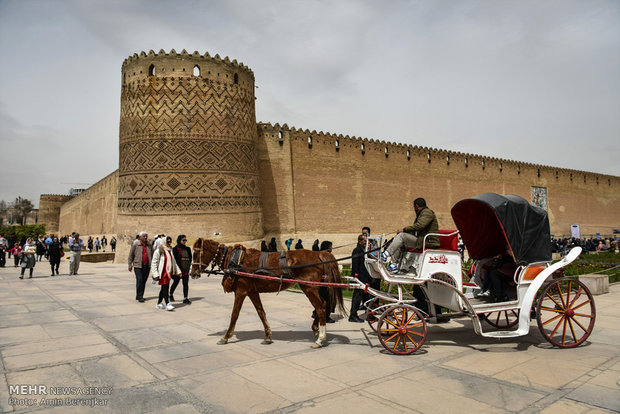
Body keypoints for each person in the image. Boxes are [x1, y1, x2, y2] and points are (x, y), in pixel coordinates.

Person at [381, 197, 439, 272]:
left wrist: (404, 230)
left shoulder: (427, 212)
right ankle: (393, 265)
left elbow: (420, 226)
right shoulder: (422, 213)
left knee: (402, 236)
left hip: (428, 242)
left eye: (414, 207)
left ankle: (385, 255)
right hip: (421, 240)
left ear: (417, 206)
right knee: (399, 242)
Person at [151, 236, 180, 311]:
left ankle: (159, 303)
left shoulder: (170, 251)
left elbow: (174, 262)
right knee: (165, 288)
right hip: (162, 272)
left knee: (164, 288)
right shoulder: (159, 251)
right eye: (168, 242)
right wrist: (155, 274)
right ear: (164, 242)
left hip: (168, 273)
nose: (169, 243)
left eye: (170, 241)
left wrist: (178, 271)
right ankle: (167, 303)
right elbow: (154, 263)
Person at [349, 234, 371, 322]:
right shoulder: (357, 251)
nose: (366, 243)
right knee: (357, 298)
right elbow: (355, 266)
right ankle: (353, 315)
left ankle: (369, 315)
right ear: (360, 241)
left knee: (366, 298)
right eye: (365, 241)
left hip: (364, 279)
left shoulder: (364, 250)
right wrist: (357, 279)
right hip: (359, 279)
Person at [129, 231, 153, 303]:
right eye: (144, 236)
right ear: (140, 237)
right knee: (139, 279)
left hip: (147, 266)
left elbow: (152, 254)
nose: (145, 237)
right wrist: (130, 264)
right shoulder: (136, 244)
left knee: (143, 281)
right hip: (138, 265)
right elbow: (131, 255)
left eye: (146, 236)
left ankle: (139, 295)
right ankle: (140, 296)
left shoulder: (149, 245)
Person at [171, 234, 192, 304]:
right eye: (183, 240)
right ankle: (170, 294)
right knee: (175, 283)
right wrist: (176, 270)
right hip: (178, 270)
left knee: (185, 284)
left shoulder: (188, 249)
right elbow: (174, 260)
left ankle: (185, 298)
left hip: (186, 269)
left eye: (185, 240)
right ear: (179, 240)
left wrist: (189, 268)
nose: (185, 241)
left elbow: (190, 258)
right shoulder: (175, 249)